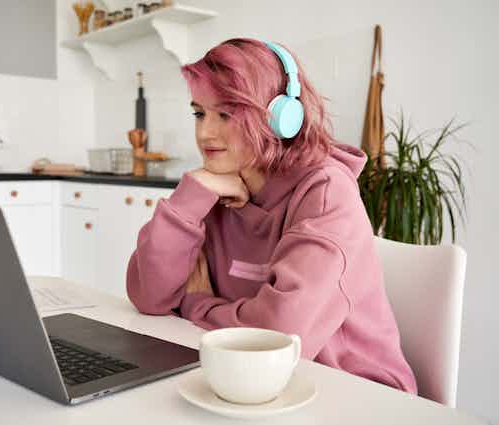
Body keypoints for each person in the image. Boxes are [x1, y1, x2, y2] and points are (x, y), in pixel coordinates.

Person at [126, 38, 417, 393]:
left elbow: (276, 338)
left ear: (282, 118)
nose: (205, 133)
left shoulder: (325, 194)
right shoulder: (217, 186)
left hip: (357, 394)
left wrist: (197, 303)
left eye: (227, 114)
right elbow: (148, 296)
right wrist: (190, 195)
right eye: (199, 112)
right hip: (253, 384)